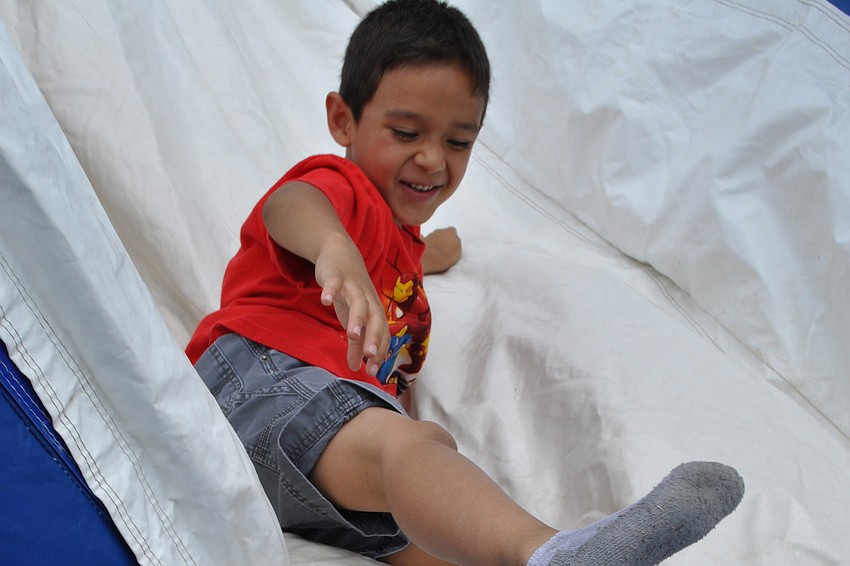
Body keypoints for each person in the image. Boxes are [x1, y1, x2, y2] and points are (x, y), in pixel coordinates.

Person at [186, 1, 744, 564]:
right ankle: (547, 551)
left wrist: (437, 249)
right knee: (413, 447)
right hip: (260, 382)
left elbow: (408, 259)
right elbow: (292, 204)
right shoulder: (341, 190)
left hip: (311, 462)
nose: (432, 159)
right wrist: (332, 249)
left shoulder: (398, 244)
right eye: (406, 132)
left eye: (458, 142)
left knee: (443, 538)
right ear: (343, 120)